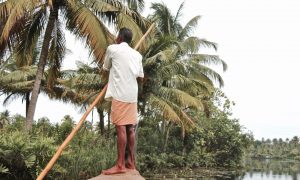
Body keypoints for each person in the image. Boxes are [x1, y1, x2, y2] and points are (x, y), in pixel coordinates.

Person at [101, 28, 144, 175]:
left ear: (119, 37)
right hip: (132, 94)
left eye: (117, 35)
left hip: (120, 94)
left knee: (121, 128)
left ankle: (120, 165)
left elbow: (106, 67)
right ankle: (130, 162)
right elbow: (140, 75)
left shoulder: (113, 49)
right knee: (130, 128)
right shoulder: (137, 55)